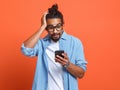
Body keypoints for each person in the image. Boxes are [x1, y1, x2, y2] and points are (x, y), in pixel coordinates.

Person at [21, 4, 87, 90]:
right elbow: (25, 50)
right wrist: (42, 27)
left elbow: (81, 74)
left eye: (58, 26)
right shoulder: (42, 44)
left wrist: (67, 64)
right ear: (46, 29)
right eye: (50, 27)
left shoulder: (75, 43)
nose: (55, 31)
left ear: (63, 25)